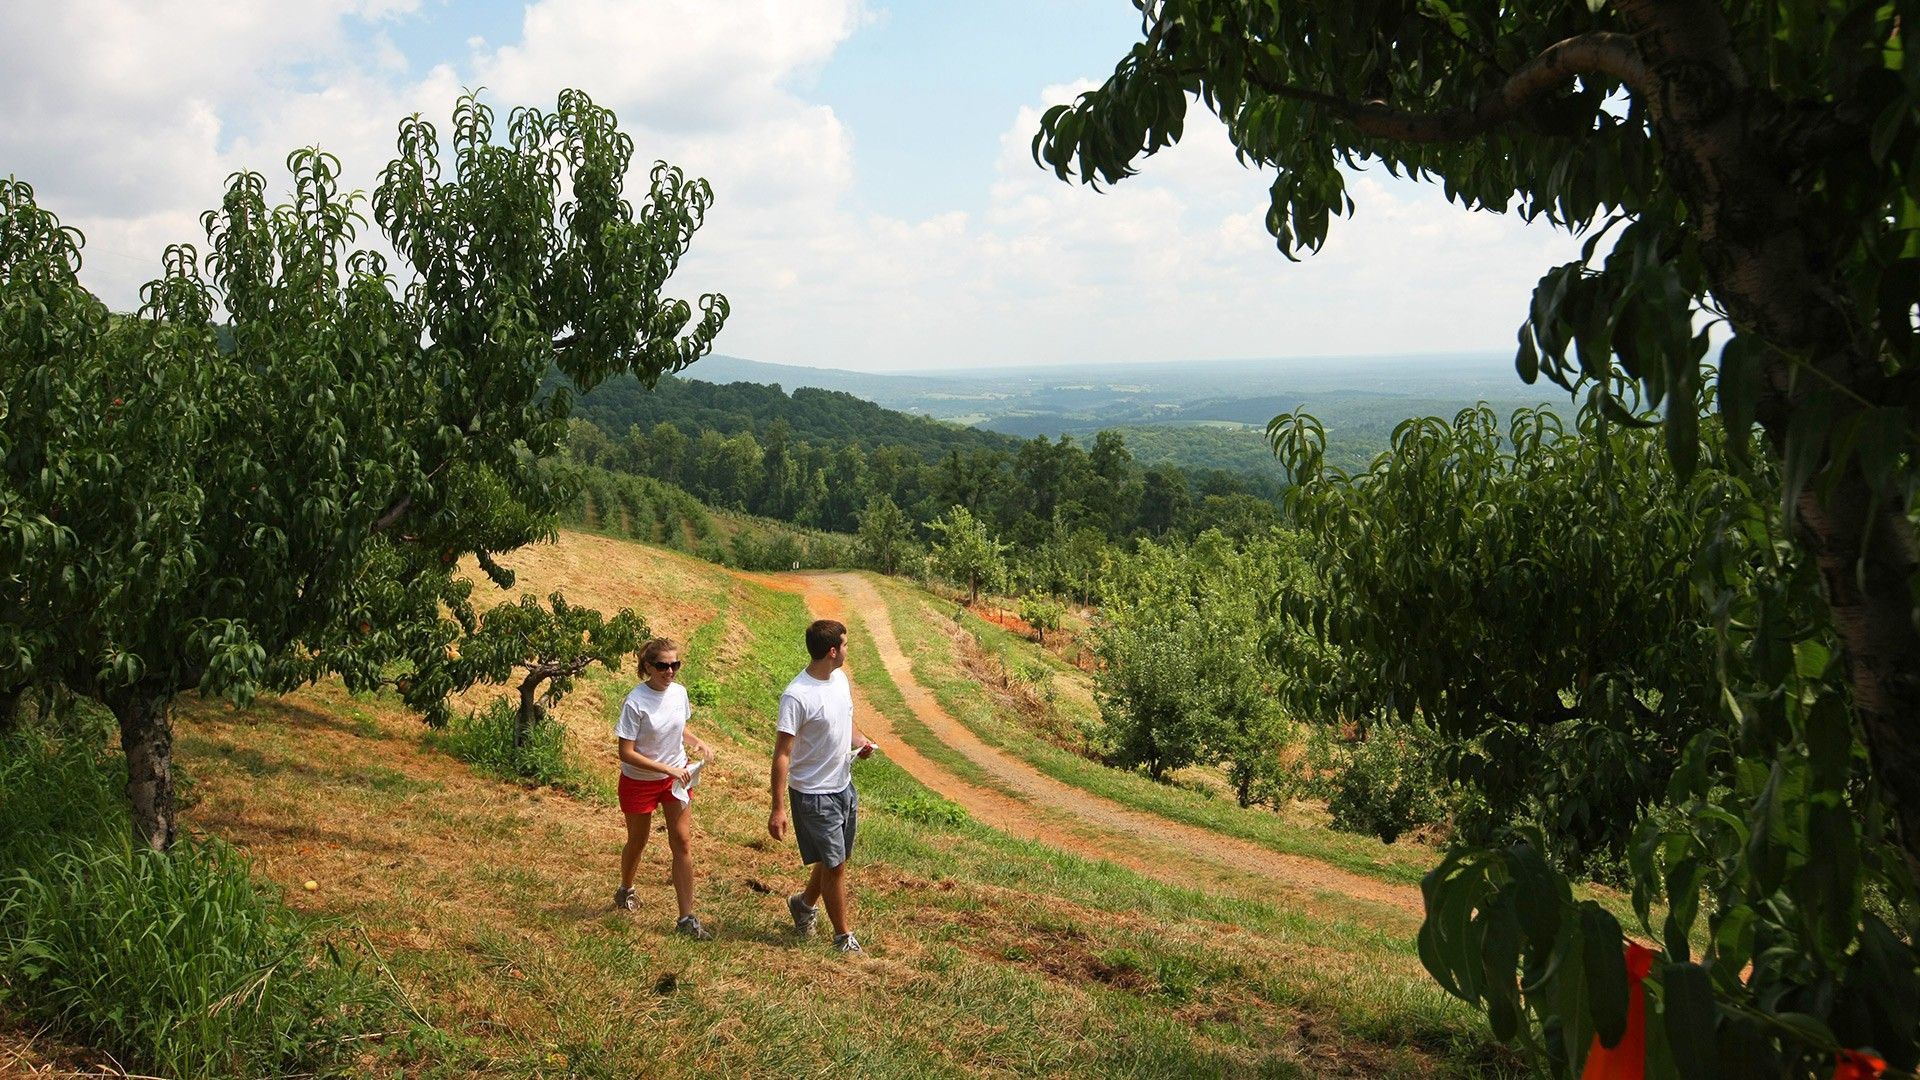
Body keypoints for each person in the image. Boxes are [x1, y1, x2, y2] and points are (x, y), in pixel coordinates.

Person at [768, 619, 877, 953]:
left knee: (835, 859)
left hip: (843, 785)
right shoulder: (796, 696)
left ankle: (803, 904)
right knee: (835, 866)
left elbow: (844, 719)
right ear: (832, 651)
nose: (847, 650)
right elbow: (782, 754)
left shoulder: (839, 680)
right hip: (813, 793)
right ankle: (843, 936)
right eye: (845, 645)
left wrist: (861, 740)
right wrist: (777, 808)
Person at [613, 637, 714, 940]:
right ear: (647, 667)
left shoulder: (679, 693)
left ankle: (686, 918)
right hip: (639, 781)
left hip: (675, 781)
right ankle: (626, 887)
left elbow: (678, 726)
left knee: (682, 842)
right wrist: (666, 768)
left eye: (675, 665)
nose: (670, 671)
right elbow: (625, 752)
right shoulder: (635, 701)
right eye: (662, 666)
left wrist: (698, 743)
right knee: (638, 841)